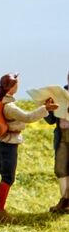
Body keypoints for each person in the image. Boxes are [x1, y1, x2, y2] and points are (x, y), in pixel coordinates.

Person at [0, 73, 58, 221]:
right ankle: (1, 212)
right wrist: (45, 108)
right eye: (17, 84)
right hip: (9, 144)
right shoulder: (9, 106)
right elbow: (28, 117)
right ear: (11, 88)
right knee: (7, 177)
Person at [43, 71, 69, 213]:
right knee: (60, 169)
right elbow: (51, 120)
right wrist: (47, 109)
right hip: (63, 137)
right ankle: (64, 201)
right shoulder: (60, 94)